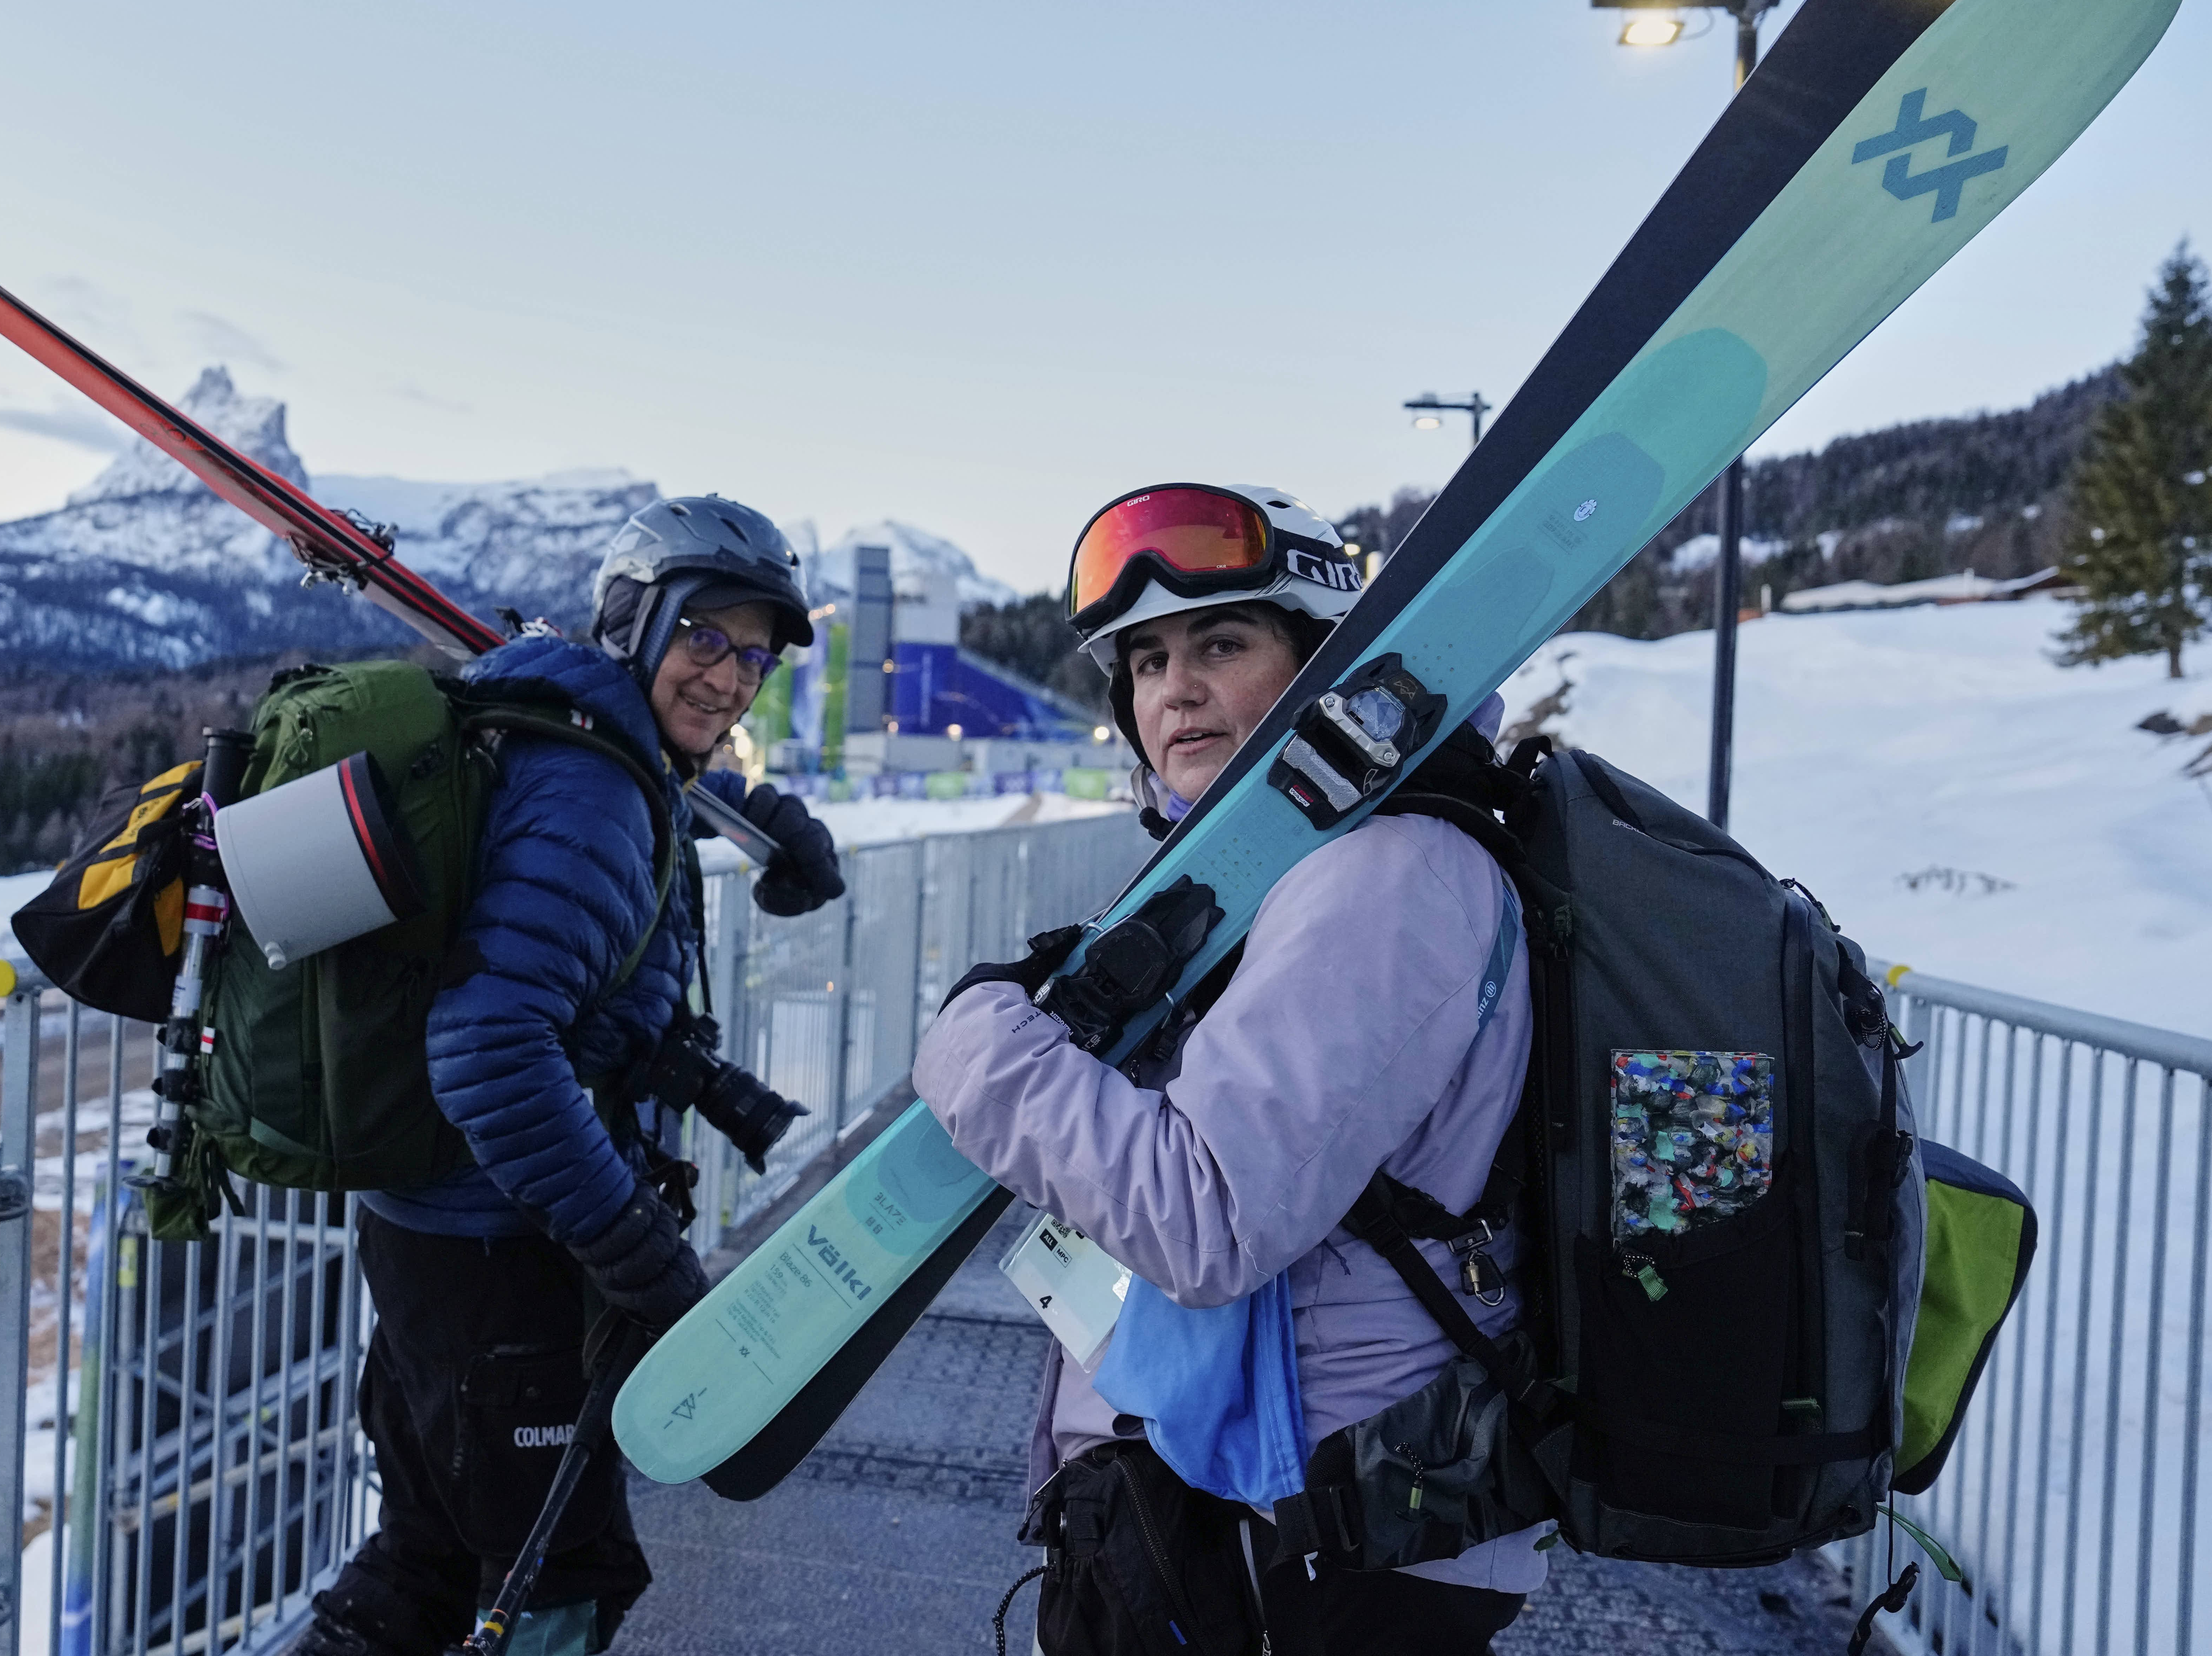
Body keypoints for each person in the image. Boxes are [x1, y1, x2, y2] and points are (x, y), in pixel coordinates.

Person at [911, 482, 1549, 1656]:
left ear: (1322, 668)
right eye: (1145, 661)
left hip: (1323, 1532)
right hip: (1256, 1508)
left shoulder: (1386, 875)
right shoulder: (1283, 876)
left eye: (1220, 642)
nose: (1175, 689)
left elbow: (1204, 1216)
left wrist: (978, 1051)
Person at [298, 495, 847, 1656]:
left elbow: (637, 772)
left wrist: (769, 823)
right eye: (705, 637)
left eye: (753, 656)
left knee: (427, 1559)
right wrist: (635, 1249)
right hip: (501, 1260)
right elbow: (491, 1050)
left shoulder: (571, 725)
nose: (729, 676)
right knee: (556, 1584)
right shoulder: (594, 791)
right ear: (634, 623)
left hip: (436, 1238)